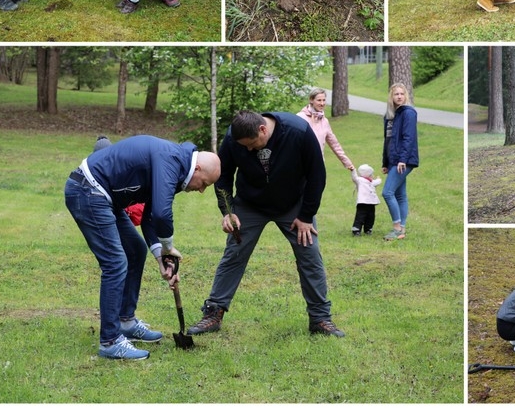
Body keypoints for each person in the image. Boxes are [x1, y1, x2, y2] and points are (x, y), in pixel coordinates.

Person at [186, 110, 345, 338]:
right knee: (234, 254)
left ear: (262, 129)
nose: (249, 150)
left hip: (293, 206)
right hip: (250, 205)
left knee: (309, 255)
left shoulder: (298, 131)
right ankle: (213, 314)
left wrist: (306, 216)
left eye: (251, 144)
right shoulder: (234, 138)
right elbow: (223, 176)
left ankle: (320, 319)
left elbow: (317, 174)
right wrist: (228, 212)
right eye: (245, 147)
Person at [64, 135, 221, 360]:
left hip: (104, 196)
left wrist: (160, 255)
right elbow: (161, 214)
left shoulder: (176, 165)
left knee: (136, 250)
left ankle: (126, 322)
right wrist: (168, 246)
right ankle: (110, 342)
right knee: (115, 263)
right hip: (88, 191)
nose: (202, 190)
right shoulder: (171, 160)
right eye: (205, 183)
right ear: (196, 169)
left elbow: (149, 214)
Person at [382, 83, 419, 241]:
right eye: (396, 94)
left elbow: (408, 138)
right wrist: (385, 162)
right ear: (391, 97)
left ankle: (396, 227)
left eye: (401, 94)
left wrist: (403, 160)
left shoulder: (408, 113)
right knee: (400, 195)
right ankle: (402, 229)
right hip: (393, 161)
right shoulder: (390, 116)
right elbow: (388, 141)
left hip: (404, 160)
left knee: (387, 192)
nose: (399, 96)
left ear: (406, 96)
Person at [296, 88, 354, 171]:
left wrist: (347, 163)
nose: (322, 103)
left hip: (318, 164)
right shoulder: (300, 117)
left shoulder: (324, 121)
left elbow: (334, 144)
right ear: (311, 100)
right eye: (319, 100)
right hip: (301, 164)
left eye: (324, 100)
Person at [351, 164, 381, 236]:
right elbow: (354, 178)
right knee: (360, 216)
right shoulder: (360, 180)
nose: (372, 176)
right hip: (363, 202)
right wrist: (353, 170)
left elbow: (376, 182)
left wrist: (379, 179)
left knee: (371, 216)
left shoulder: (371, 181)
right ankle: (356, 229)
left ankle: (368, 229)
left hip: (371, 203)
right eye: (371, 174)